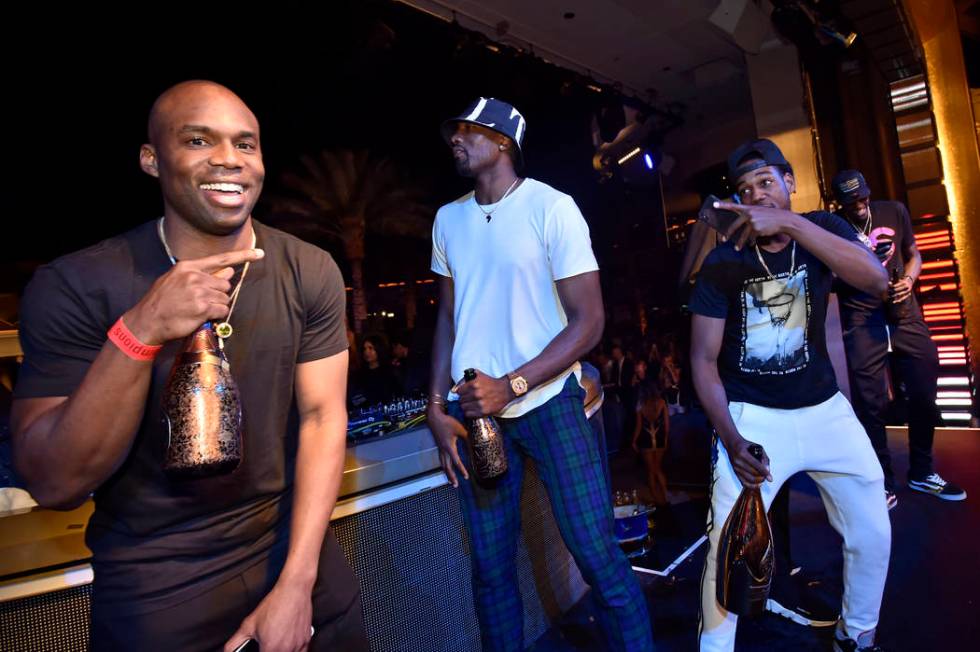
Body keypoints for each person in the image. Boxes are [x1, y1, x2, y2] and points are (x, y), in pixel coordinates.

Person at [10, 81, 368, 652]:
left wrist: (297, 583)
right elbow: (56, 482)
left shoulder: (310, 268)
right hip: (160, 579)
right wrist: (141, 330)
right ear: (153, 160)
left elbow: (324, 418)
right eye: (199, 140)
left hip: (294, 550)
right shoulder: (76, 284)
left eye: (245, 145)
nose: (228, 159)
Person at [426, 97, 654, 652]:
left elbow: (590, 321)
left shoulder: (552, 207)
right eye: (453, 131)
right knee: (491, 569)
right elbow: (449, 317)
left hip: (550, 403)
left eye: (467, 130)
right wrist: (435, 407)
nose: (455, 139)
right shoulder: (448, 218)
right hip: (476, 413)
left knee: (596, 553)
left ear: (503, 141)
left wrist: (514, 384)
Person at [690, 138, 891, 652]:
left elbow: (877, 281)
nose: (758, 195)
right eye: (745, 189)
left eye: (766, 183)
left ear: (789, 183)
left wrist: (795, 224)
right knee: (727, 555)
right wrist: (732, 440)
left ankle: (856, 633)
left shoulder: (822, 228)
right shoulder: (724, 263)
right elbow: (702, 361)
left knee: (872, 530)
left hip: (824, 409)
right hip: (753, 417)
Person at [831, 169, 966, 507]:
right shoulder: (833, 227)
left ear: (868, 191)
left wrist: (908, 278)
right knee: (871, 405)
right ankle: (882, 482)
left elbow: (914, 254)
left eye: (862, 197)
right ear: (840, 202)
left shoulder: (893, 210)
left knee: (924, 392)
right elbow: (828, 276)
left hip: (904, 313)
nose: (860, 204)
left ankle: (922, 472)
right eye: (852, 201)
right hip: (862, 320)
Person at [631, 374, 669, 508]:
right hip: (659, 439)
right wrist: (665, 439)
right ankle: (665, 496)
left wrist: (634, 441)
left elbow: (639, 426)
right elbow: (666, 424)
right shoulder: (662, 402)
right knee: (658, 469)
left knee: (651, 471)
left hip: (646, 440)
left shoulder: (641, 404)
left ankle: (657, 500)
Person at [349, 333, 400, 407]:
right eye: (364, 349)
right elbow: (355, 399)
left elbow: (396, 394)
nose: (366, 352)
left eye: (370, 348)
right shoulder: (359, 375)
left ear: (379, 349)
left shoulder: (390, 371)